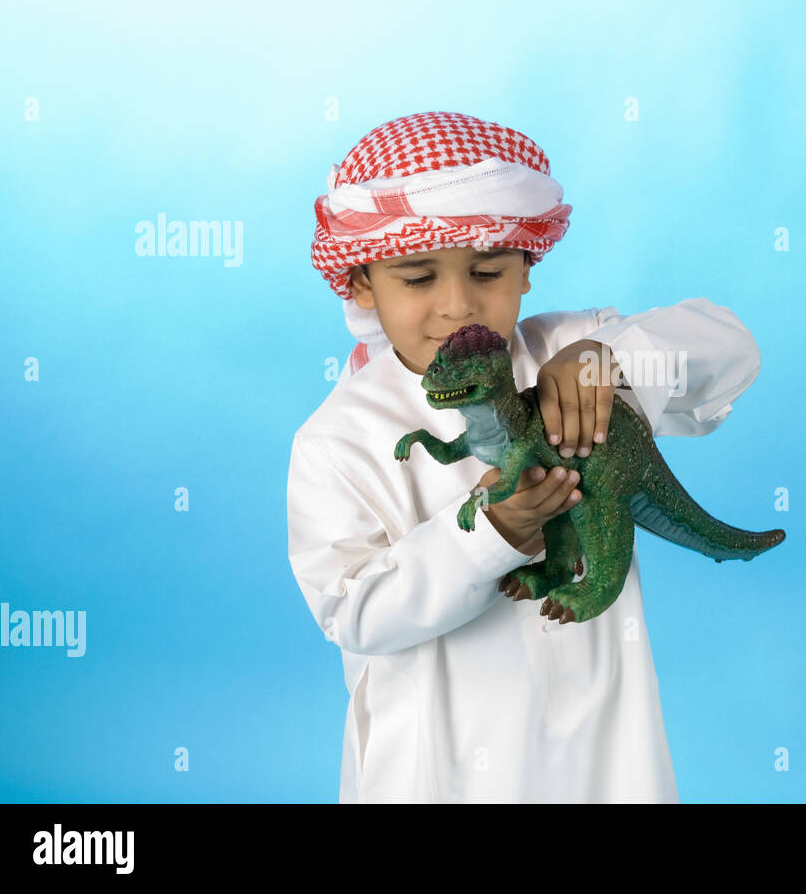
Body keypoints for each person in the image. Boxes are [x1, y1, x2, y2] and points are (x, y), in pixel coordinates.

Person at [287, 111, 763, 802]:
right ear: (363, 285)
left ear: (526, 268)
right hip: (435, 757)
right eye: (418, 278)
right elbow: (352, 610)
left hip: (601, 732)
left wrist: (615, 357)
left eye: (487, 271)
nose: (458, 305)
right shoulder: (340, 437)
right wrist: (491, 536)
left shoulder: (571, 350)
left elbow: (733, 347)